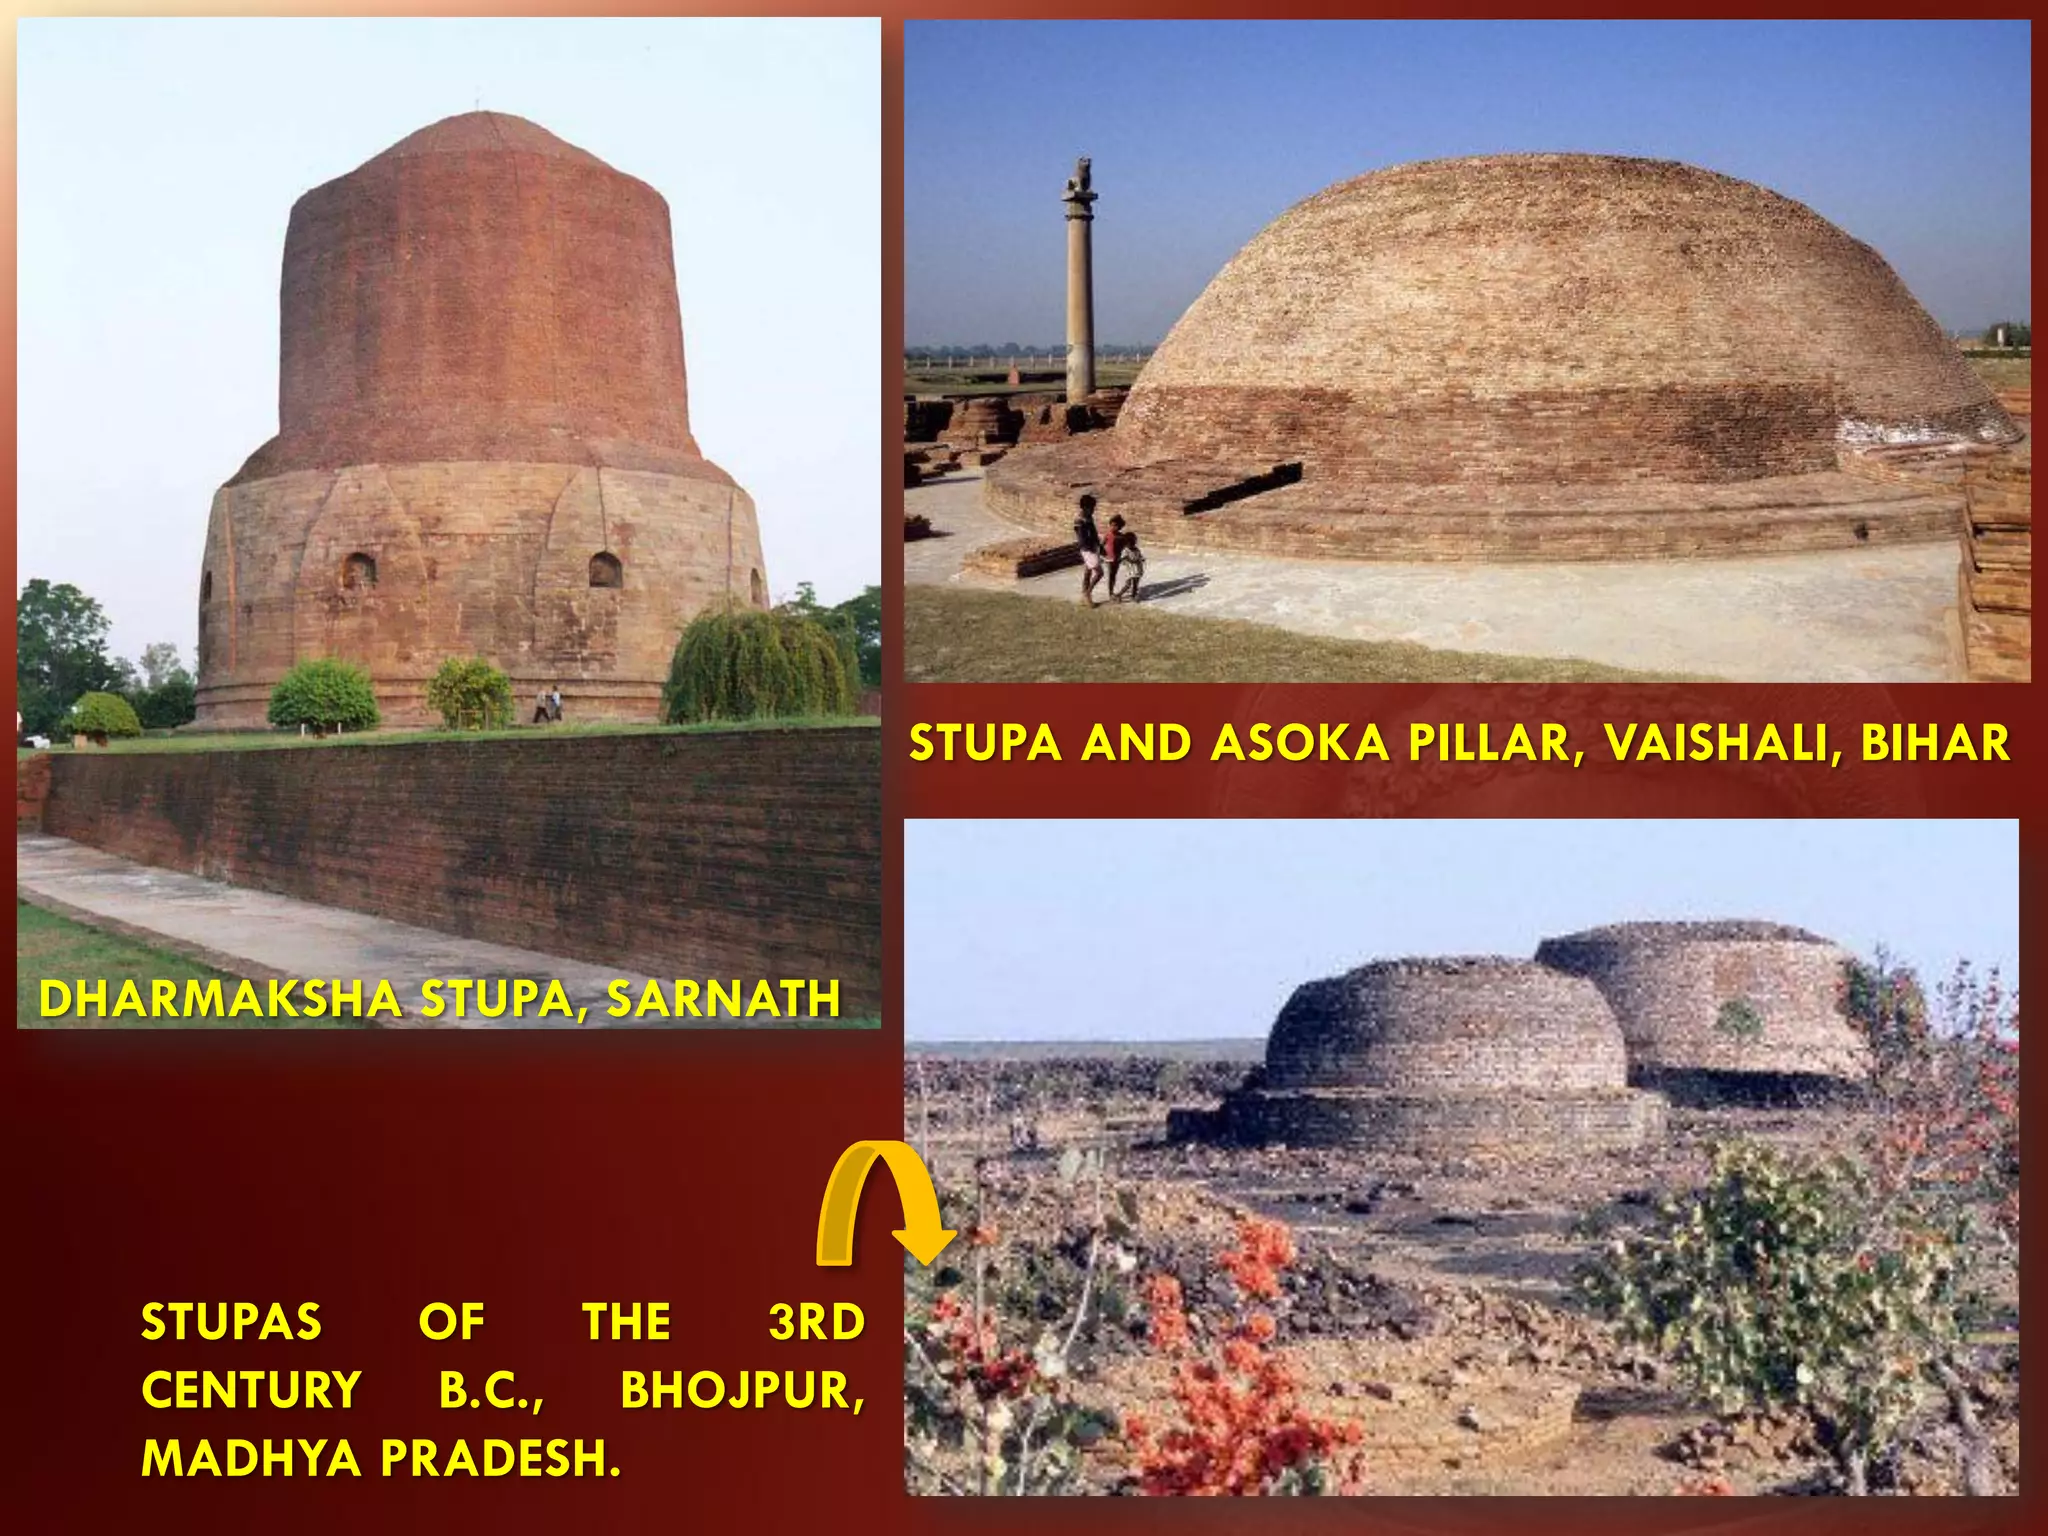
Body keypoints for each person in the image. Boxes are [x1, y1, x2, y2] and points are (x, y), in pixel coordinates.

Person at [1073, 494, 1105, 606]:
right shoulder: (1079, 521)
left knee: (1088, 571)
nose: (1093, 510)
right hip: (1088, 549)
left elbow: (1094, 532)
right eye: (1091, 508)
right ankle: (1087, 593)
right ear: (1085, 507)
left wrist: (1100, 546)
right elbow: (1082, 538)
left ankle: (1083, 595)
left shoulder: (1088, 517)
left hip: (1092, 548)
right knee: (1100, 573)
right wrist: (1091, 549)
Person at [1111, 520, 1145, 602]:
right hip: (1130, 571)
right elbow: (1123, 558)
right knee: (1128, 584)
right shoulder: (1126, 550)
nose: (1131, 545)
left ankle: (1133, 596)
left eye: (1133, 543)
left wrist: (1141, 559)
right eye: (1130, 543)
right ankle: (1119, 595)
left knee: (1135, 584)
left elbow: (1140, 556)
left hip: (1137, 570)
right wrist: (1125, 559)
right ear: (1126, 543)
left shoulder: (1136, 549)